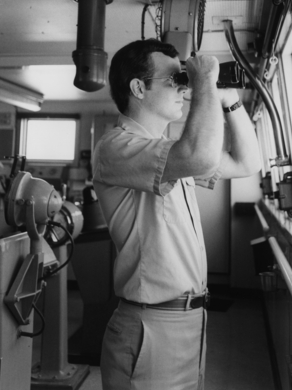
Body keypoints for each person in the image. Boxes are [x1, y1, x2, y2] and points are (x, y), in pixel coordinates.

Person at [92, 38, 261, 390]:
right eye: (174, 80)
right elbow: (200, 154)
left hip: (189, 320)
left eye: (184, 80)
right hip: (151, 327)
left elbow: (247, 163)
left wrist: (229, 103)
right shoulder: (116, 147)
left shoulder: (169, 153)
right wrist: (204, 84)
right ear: (138, 88)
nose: (182, 89)